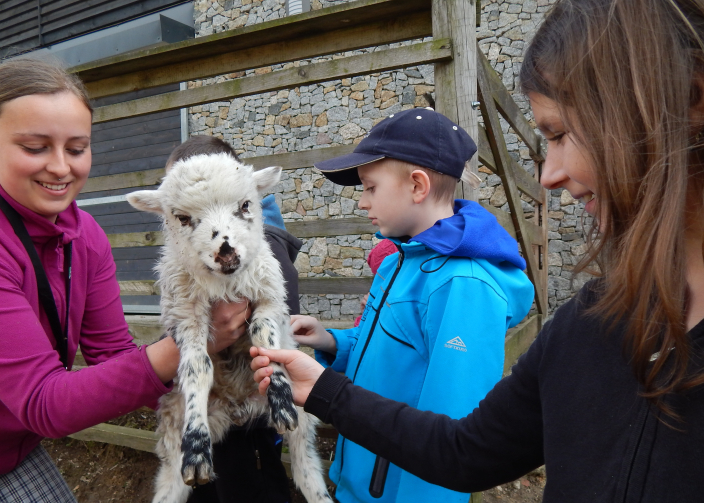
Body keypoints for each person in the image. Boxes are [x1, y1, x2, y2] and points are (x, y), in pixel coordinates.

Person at [251, 0, 704, 500]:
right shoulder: (585, 322)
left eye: (557, 134)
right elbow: (461, 446)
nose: (548, 176)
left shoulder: (464, 285)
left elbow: (450, 420)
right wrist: (333, 351)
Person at [0, 59, 249, 502]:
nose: (61, 168)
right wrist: (192, 341)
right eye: (35, 147)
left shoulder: (84, 236)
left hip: (10, 450)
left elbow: (113, 356)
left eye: (77, 148)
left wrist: (232, 384)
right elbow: (46, 404)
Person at [286, 107, 534, 503]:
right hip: (360, 483)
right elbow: (392, 350)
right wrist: (332, 342)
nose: (363, 202)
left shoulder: (463, 286)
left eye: (370, 187)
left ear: (417, 186)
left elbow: (453, 443)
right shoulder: (399, 261)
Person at [161, 135, 302, 503]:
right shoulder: (187, 257)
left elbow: (281, 326)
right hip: (209, 414)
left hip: (251, 420)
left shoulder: (266, 256)